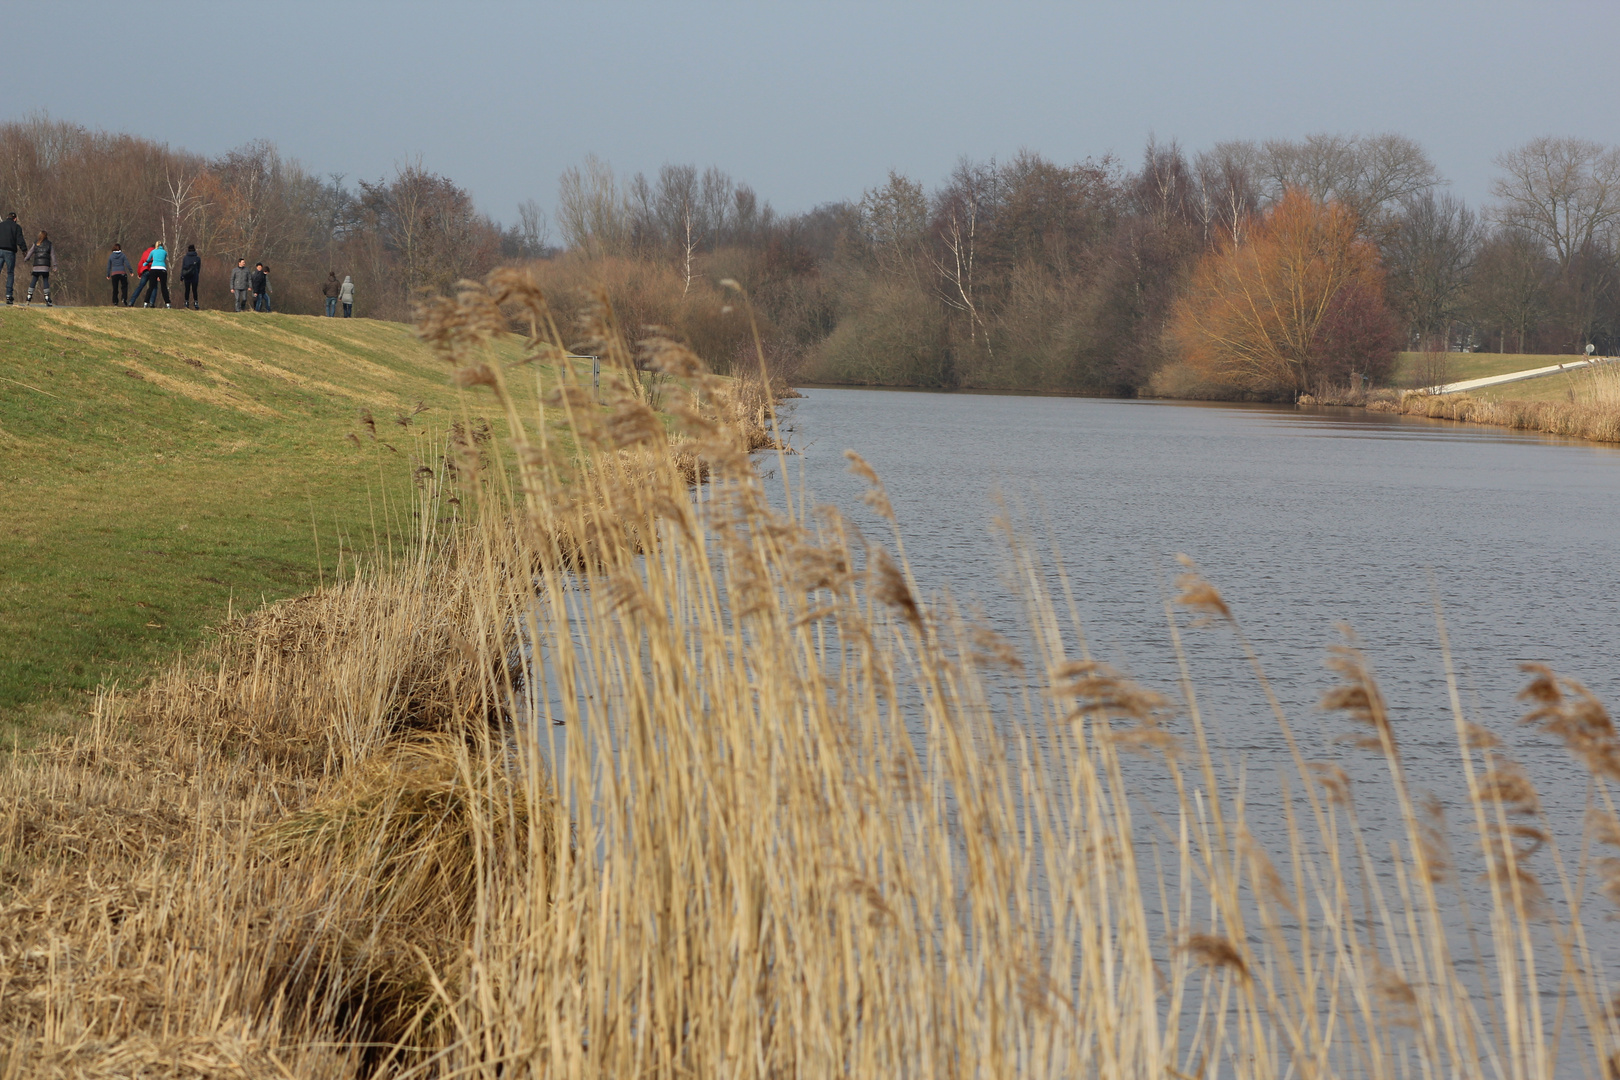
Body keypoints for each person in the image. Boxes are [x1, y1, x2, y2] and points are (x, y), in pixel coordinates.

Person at [23, 230, 56, 306]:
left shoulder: (36, 243)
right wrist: (55, 265)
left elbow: (30, 252)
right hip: (45, 266)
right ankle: (47, 298)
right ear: (46, 236)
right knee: (45, 281)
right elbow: (53, 255)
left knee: (34, 280)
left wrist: (26, 259)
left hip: (36, 266)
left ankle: (29, 296)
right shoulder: (49, 244)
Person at [0, 212, 25, 304]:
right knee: (10, 273)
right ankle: (8, 295)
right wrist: (24, 250)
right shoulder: (16, 227)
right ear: (15, 219)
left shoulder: (1, 225)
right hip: (10, 251)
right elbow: (20, 239)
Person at [128, 242, 158, 307]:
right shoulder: (156, 253)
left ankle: (131, 302)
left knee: (140, 287)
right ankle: (151, 303)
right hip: (153, 271)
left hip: (145, 271)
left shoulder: (145, 252)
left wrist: (139, 273)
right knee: (154, 287)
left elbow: (140, 263)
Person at [143, 241, 171, 308]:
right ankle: (167, 303)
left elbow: (148, 259)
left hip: (154, 269)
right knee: (163, 287)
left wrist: (145, 264)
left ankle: (146, 302)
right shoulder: (165, 252)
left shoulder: (153, 251)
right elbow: (163, 259)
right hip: (162, 269)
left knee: (151, 287)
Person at [179, 244, 202, 309]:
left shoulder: (185, 258)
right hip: (195, 276)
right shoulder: (197, 258)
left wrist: (181, 276)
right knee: (194, 290)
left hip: (187, 276)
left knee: (187, 290)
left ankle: (186, 302)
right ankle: (196, 302)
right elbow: (198, 268)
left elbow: (183, 267)